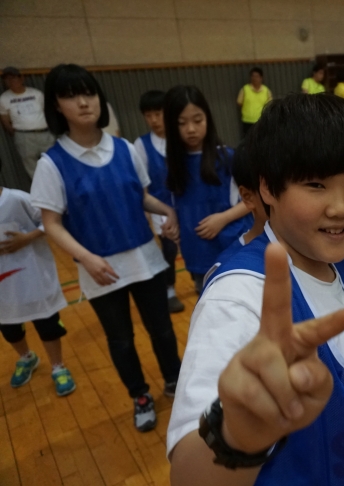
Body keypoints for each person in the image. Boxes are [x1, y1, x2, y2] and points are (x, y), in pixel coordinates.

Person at [168, 94, 344, 485]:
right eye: (316, 185)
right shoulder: (239, 297)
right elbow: (188, 475)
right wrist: (239, 435)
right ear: (267, 188)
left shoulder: (335, 262)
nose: (340, 208)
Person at [31, 64, 182, 432]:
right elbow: (51, 223)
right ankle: (140, 396)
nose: (84, 102)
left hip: (145, 259)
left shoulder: (125, 148)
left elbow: (140, 196)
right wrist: (86, 258)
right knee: (121, 340)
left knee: (162, 330)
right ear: (56, 106)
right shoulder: (52, 163)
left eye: (89, 93)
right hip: (100, 268)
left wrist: (167, 211)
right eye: (71, 96)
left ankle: (176, 383)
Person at [165, 85, 252, 294]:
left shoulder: (227, 157)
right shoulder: (174, 164)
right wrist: (172, 222)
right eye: (182, 123)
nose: (191, 129)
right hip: (197, 254)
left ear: (208, 119)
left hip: (232, 250)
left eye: (198, 120)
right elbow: (176, 206)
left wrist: (223, 218)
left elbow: (253, 200)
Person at [0, 185, 76, 396]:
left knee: (47, 324)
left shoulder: (17, 199)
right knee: (9, 328)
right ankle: (27, 358)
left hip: (33, 277)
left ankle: (58, 366)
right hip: (4, 285)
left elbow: (53, 220)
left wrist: (27, 237)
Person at [133, 90, 185, 313]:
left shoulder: (181, 137)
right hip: (161, 208)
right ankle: (169, 289)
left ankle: (200, 278)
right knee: (170, 248)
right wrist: (146, 213)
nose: (154, 120)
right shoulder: (141, 144)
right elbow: (141, 184)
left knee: (195, 241)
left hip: (186, 204)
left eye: (158, 114)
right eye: (148, 115)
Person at [202, 142, 268, 285]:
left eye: (314, 186)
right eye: (275, 189)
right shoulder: (229, 273)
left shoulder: (312, 250)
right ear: (248, 197)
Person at [0, 67, 55, 179]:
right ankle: (40, 187)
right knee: (31, 165)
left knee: (54, 160)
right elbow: (5, 120)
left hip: (44, 133)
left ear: (21, 78)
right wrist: (17, 132)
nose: (11, 81)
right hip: (24, 136)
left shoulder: (36, 94)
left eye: (13, 78)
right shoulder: (4, 99)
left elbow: (47, 111)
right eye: (7, 79)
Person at [237, 67, 272, 136]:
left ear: (261, 78)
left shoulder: (266, 91)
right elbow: (239, 102)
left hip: (262, 121)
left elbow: (270, 105)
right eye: (253, 76)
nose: (254, 78)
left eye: (257, 76)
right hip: (247, 121)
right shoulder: (245, 89)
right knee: (248, 139)